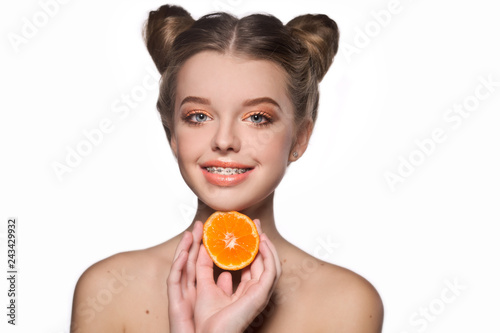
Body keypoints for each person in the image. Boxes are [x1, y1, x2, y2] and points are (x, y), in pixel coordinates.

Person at [71, 4, 383, 332]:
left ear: (300, 137)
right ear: (172, 134)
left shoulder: (348, 303)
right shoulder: (108, 291)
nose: (224, 140)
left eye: (258, 118)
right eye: (199, 116)